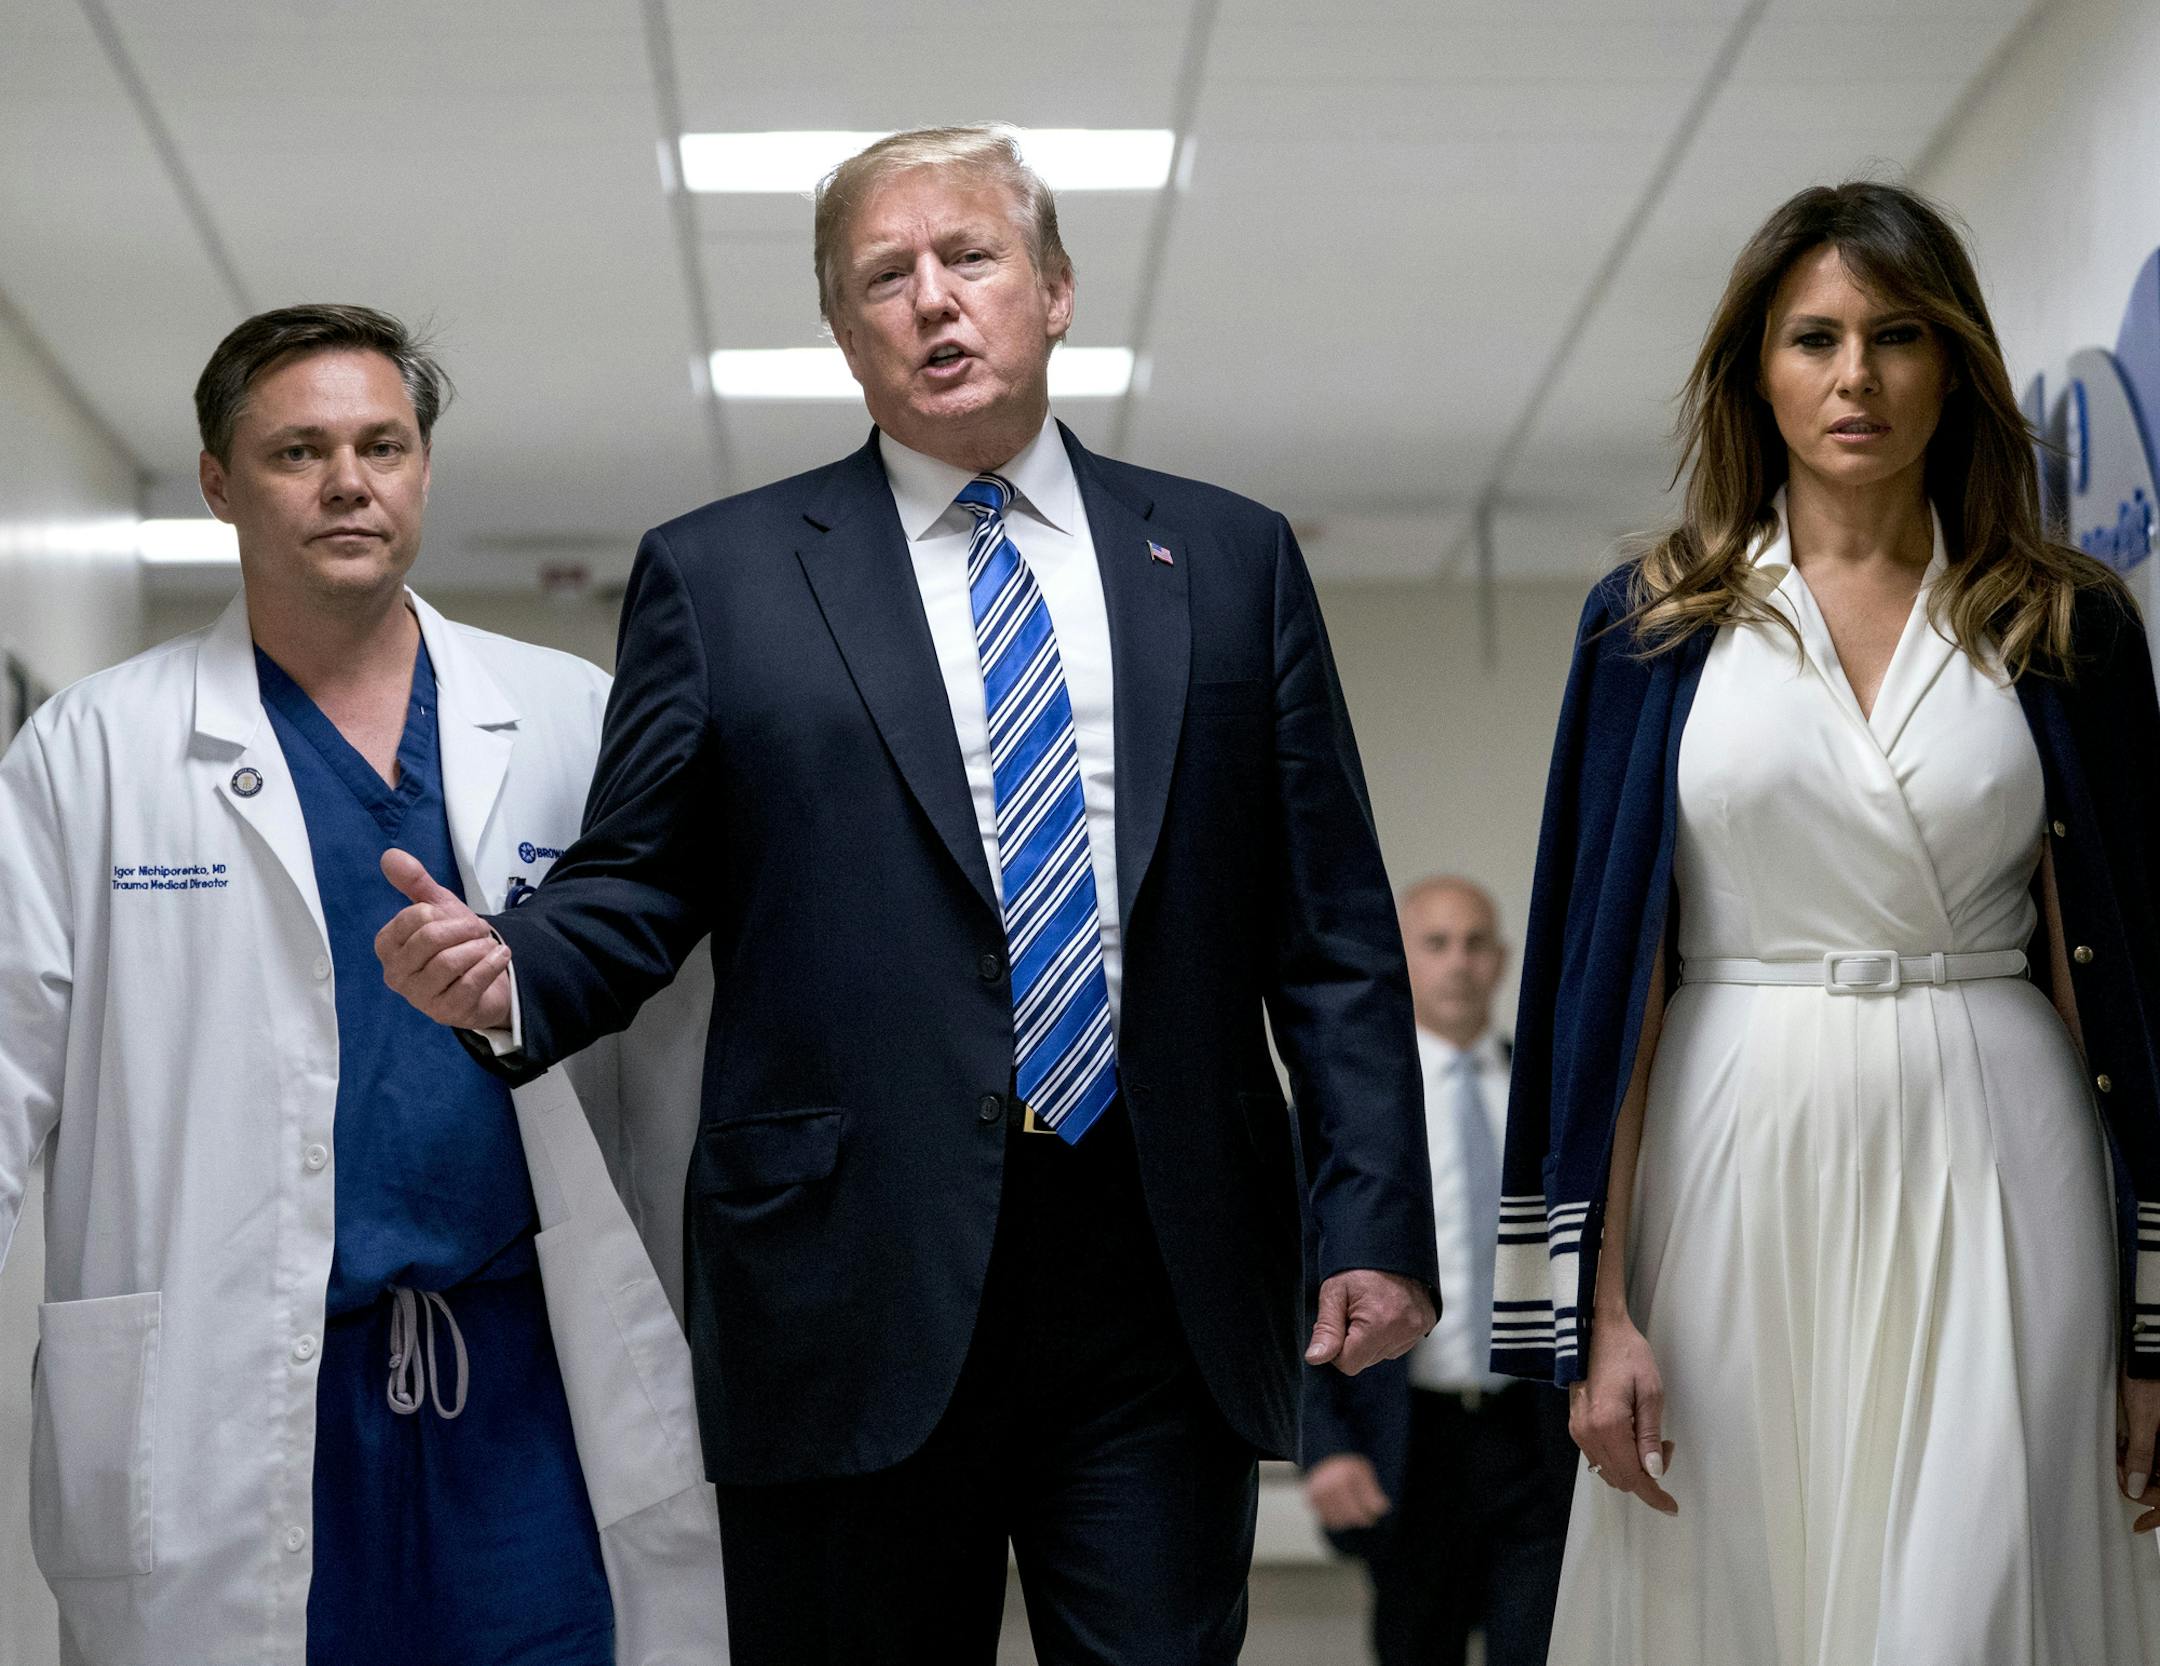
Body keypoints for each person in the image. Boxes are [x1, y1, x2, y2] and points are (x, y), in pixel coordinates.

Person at [375, 124, 1438, 1663]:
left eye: (971, 259)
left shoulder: (1224, 557)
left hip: (1161, 1261)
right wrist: (515, 972)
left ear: (1056, 290)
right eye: (885, 275)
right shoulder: (724, 574)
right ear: (841, 330)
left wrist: (1373, 1216)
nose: (933, 300)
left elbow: (1333, 932)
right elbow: (635, 881)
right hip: (845, 1272)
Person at [0, 304, 727, 1665]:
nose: (350, 480)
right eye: (299, 450)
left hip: (526, 1383)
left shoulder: (570, 716)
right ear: (220, 481)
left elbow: (681, 1048)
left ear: (424, 469)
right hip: (232, 1379)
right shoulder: (96, 751)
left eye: (383, 444)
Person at [1496, 180, 2160, 1664]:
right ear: (1759, 374)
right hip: (1733, 1150)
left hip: (2004, 1149)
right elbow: (1601, 984)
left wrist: (2158, 1327)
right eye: (1814, 338)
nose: (1856, 374)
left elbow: (2133, 987)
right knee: (1743, 1590)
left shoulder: (2064, 626)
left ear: (1955, 366)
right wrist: (1587, 1316)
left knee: (1975, 1598)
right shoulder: (1654, 624)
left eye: (1896, 334)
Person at [1303, 876, 1574, 1666]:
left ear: (1501, 960)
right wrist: (1322, 1441)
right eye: (1436, 943)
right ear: (1403, 959)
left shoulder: (1545, 1099)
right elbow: (1294, 1284)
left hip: (1536, 1437)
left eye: (1476, 942)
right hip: (1408, 1442)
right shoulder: (1353, 1111)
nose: (1459, 962)